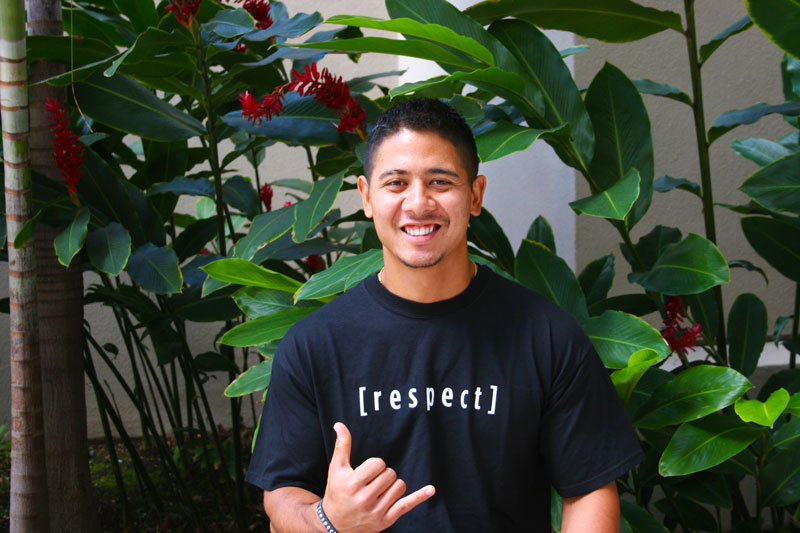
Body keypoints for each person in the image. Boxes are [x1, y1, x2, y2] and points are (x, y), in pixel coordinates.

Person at [245, 98, 644, 532]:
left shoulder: (546, 336)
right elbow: (282, 499)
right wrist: (331, 520)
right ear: (366, 196)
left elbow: (588, 490)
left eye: (440, 182)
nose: (418, 204)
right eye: (396, 183)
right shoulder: (314, 346)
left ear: (475, 196)